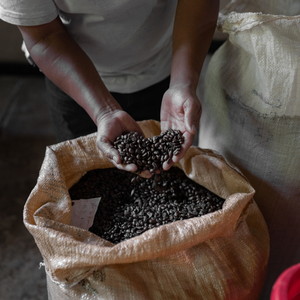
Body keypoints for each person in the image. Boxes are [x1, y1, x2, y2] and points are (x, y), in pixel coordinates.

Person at [0, 0, 220, 178]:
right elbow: (43, 37)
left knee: (161, 177)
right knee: (87, 182)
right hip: (73, 80)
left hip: (165, 65)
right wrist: (103, 110)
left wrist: (182, 83)